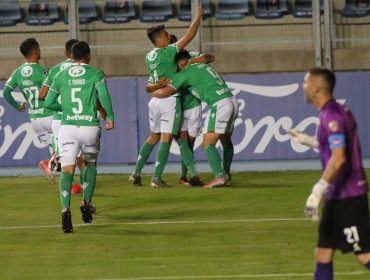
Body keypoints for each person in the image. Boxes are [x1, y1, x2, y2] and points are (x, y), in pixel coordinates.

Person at [287, 67, 370, 279]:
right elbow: (336, 149)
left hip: (349, 196)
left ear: (316, 88)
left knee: (364, 255)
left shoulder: (332, 115)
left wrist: (317, 190)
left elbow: (340, 157)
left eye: (306, 82)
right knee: (323, 253)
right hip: (337, 196)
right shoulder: (331, 112)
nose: (303, 87)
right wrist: (310, 141)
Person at [130, 7, 204, 188]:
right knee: (166, 139)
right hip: (170, 101)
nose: (168, 36)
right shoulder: (169, 52)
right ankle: (156, 178)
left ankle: (136, 172)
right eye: (165, 35)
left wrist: (157, 86)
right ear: (159, 40)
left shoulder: (150, 56)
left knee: (153, 137)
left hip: (154, 101)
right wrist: (198, 16)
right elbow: (190, 35)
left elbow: (150, 85)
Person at [44, 41, 114, 234]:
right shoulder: (96, 74)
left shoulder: (60, 74)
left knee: (67, 168)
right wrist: (110, 116)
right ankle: (86, 202)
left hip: (68, 127)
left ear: (71, 56)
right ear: (89, 56)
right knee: (90, 165)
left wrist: (65, 109)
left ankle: (65, 209)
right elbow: (104, 95)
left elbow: (48, 102)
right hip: (89, 126)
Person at [150, 50, 239, 188]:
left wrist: (153, 91)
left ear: (181, 63)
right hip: (232, 100)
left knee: (207, 143)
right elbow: (210, 56)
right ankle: (226, 173)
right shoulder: (202, 64)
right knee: (226, 141)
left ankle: (219, 177)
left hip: (219, 104)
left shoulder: (185, 73)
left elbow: (166, 92)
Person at [2, 38, 54, 181]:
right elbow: (50, 92)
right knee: (68, 146)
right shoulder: (43, 71)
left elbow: (6, 92)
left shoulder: (17, 72)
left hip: (35, 118)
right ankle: (49, 163)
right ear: (35, 51)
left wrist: (17, 106)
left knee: (58, 149)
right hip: (50, 115)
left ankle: (69, 182)